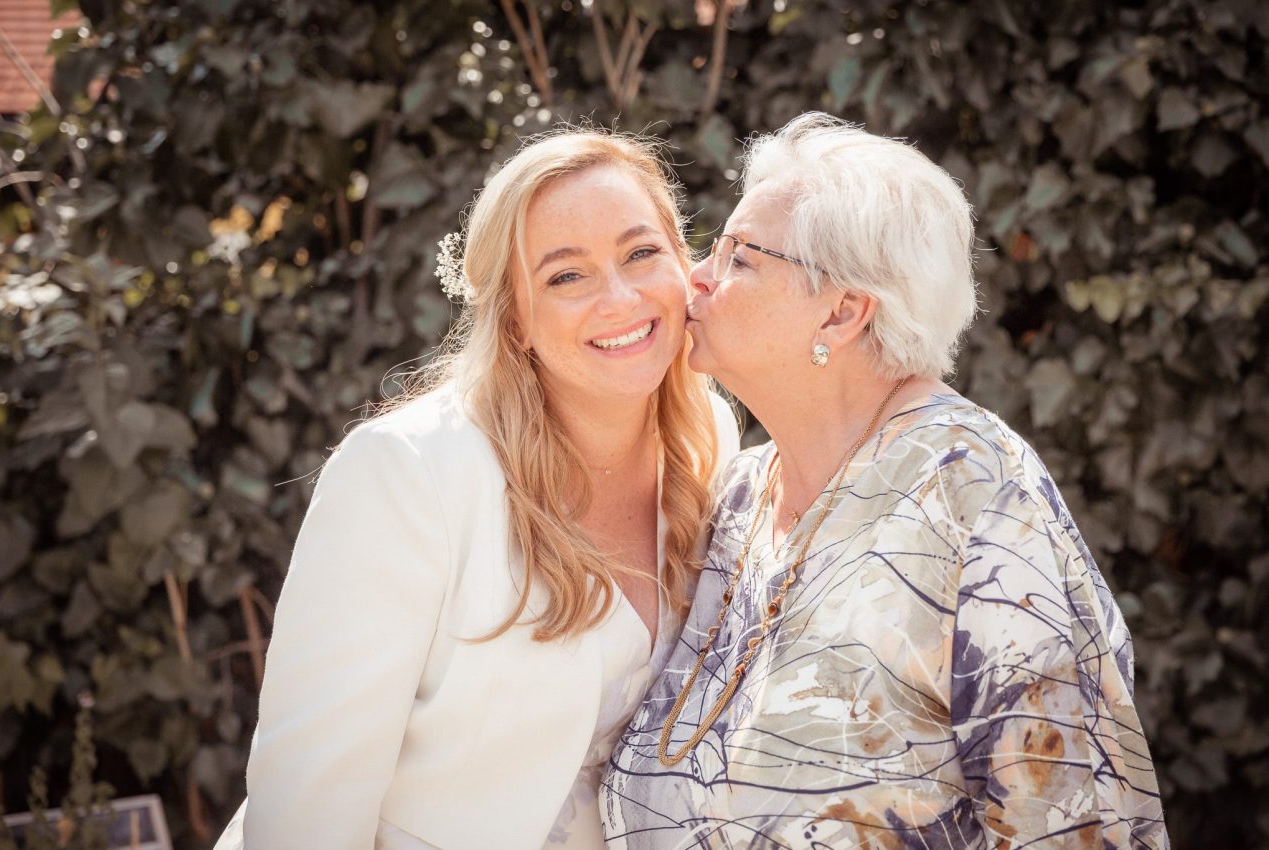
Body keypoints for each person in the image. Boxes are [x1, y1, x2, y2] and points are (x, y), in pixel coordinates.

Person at [603, 113, 1169, 849]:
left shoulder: (971, 492)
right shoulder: (736, 494)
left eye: (739, 258)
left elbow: (1073, 822)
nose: (696, 279)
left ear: (841, 312)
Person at [214, 128, 739, 850]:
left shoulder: (708, 439)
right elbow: (309, 799)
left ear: (684, 264)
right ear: (515, 319)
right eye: (566, 276)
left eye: (641, 253)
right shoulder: (408, 472)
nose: (620, 298)